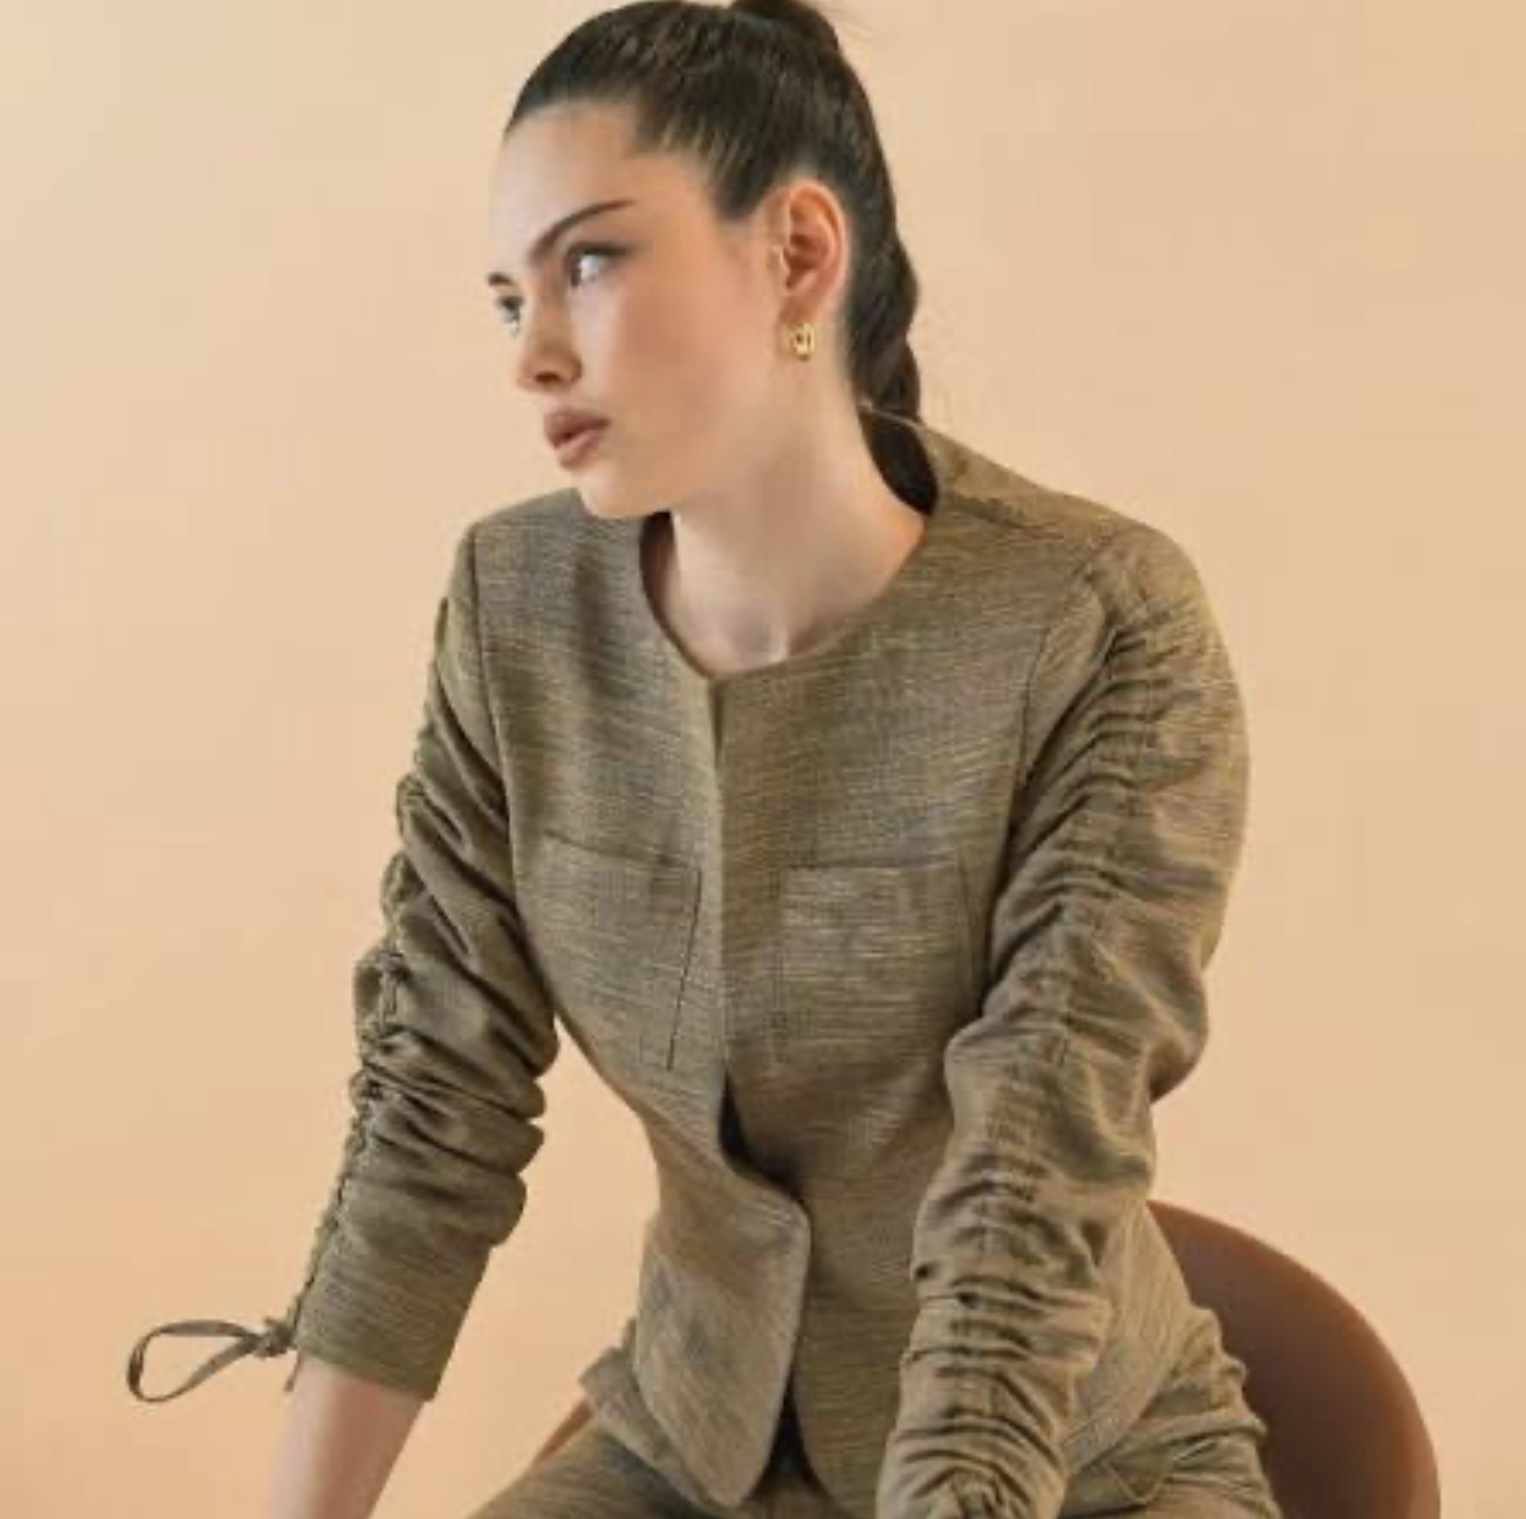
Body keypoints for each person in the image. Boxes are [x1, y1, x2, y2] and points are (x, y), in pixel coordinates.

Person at [123, 4, 1285, 1518]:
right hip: (690, 1445)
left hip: (1071, 1471)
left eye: (591, 262)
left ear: (797, 253)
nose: (533, 354)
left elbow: (1026, 1185)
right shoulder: (515, 611)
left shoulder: (1091, 623)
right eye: (507, 298)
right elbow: (433, 1109)